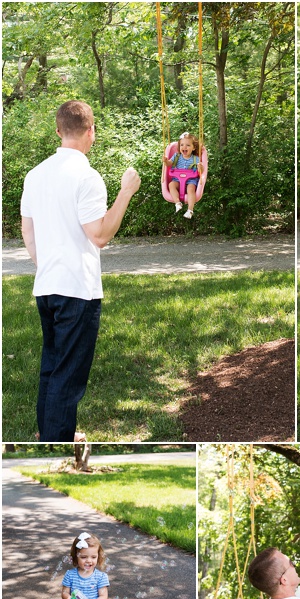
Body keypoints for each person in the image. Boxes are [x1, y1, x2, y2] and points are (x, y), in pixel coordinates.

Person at [21, 100, 141, 442]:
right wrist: (126, 192)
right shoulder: (86, 176)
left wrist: (45, 266)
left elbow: (27, 230)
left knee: (52, 367)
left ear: (58, 131)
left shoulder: (35, 174)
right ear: (91, 132)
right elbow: (100, 235)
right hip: (78, 290)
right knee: (67, 376)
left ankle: (50, 433)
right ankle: (56, 441)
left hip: (46, 285)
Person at [162, 131, 203, 219]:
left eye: (188, 145)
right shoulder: (176, 156)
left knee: (191, 189)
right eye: (182, 145)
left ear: (193, 148)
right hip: (177, 179)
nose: (184, 147)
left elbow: (200, 172)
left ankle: (190, 210)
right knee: (171, 185)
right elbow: (169, 164)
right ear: (179, 146)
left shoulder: (196, 159)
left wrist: (200, 167)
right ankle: (177, 203)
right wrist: (166, 161)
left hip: (191, 180)